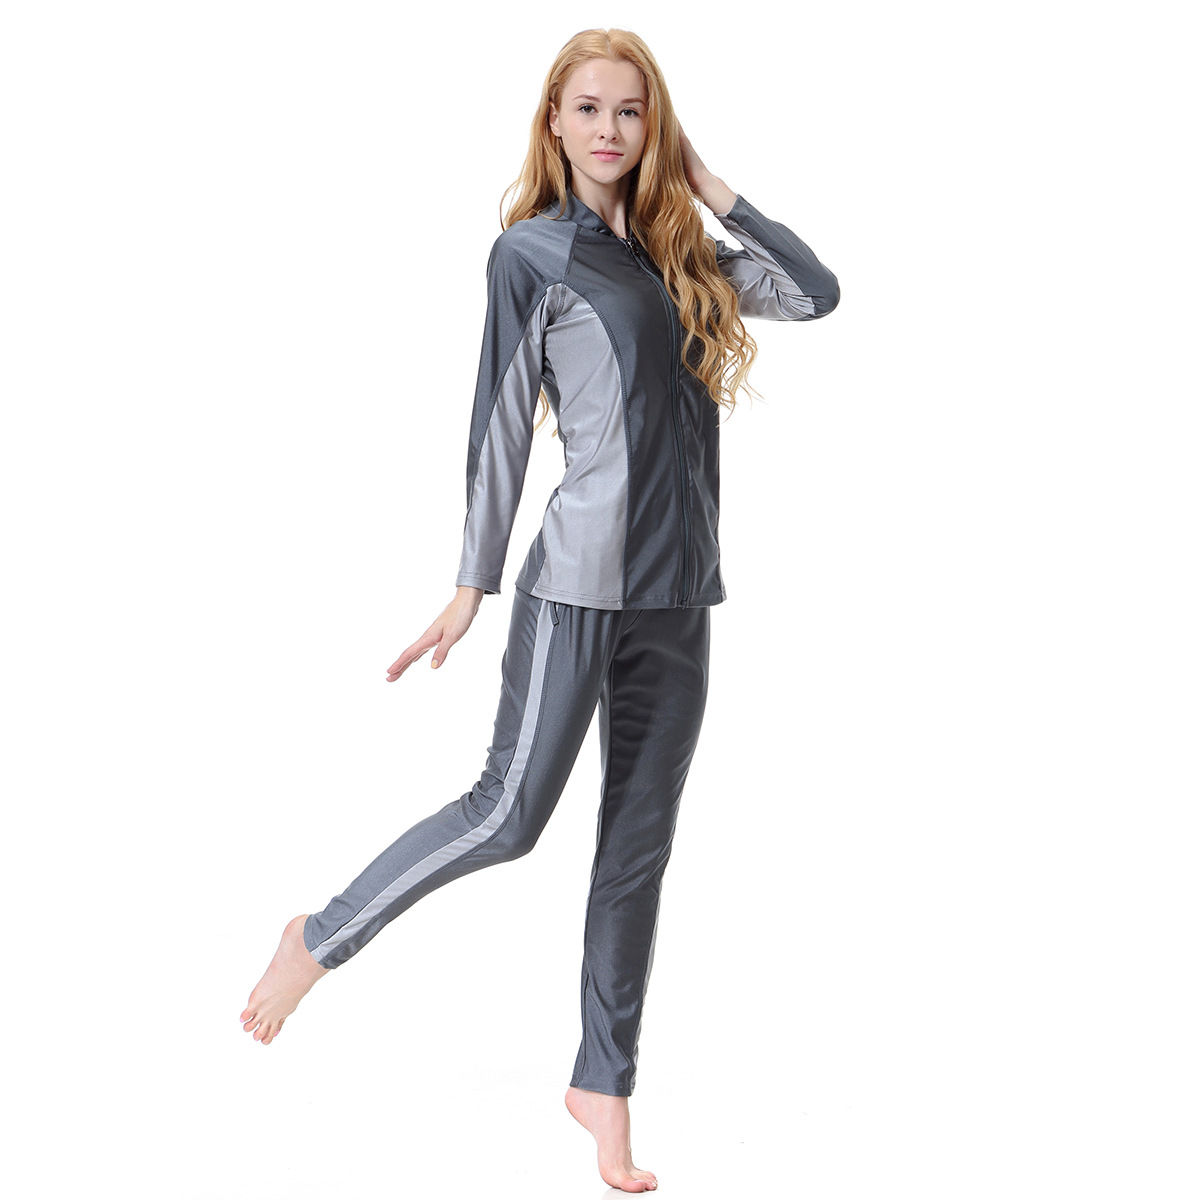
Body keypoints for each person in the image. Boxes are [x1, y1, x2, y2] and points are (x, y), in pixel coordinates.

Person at [240, 26, 839, 1194]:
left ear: (653, 125)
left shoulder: (684, 253)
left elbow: (818, 294)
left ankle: (601, 1086)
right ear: (555, 122)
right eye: (590, 108)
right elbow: (501, 421)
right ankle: (318, 937)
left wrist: (711, 186)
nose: (610, 128)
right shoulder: (530, 255)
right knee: (507, 816)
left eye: (631, 110)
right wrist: (471, 584)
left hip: (682, 592)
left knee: (637, 849)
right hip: (576, 587)